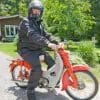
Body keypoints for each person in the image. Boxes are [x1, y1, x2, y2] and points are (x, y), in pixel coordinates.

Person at [17, 0, 59, 100]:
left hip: (37, 48)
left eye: (39, 11)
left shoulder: (39, 24)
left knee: (52, 63)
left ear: (41, 12)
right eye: (35, 10)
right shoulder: (25, 22)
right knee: (37, 68)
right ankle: (30, 90)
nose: (37, 12)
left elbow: (46, 34)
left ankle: (49, 82)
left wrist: (57, 42)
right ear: (30, 11)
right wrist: (48, 43)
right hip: (26, 49)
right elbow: (32, 35)